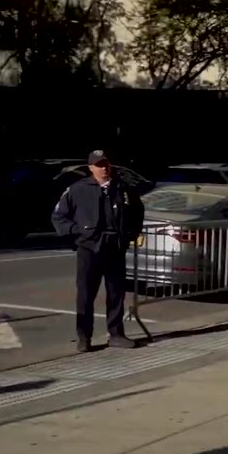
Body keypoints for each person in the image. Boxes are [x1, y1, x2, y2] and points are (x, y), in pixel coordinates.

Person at [50, 149, 143, 352]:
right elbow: (59, 217)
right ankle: (84, 338)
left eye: (106, 164)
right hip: (89, 248)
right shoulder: (77, 189)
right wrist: (77, 233)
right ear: (91, 167)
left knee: (116, 293)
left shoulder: (122, 189)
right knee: (85, 295)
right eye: (99, 165)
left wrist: (130, 234)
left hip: (115, 248)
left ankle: (116, 334)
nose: (104, 168)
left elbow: (137, 213)